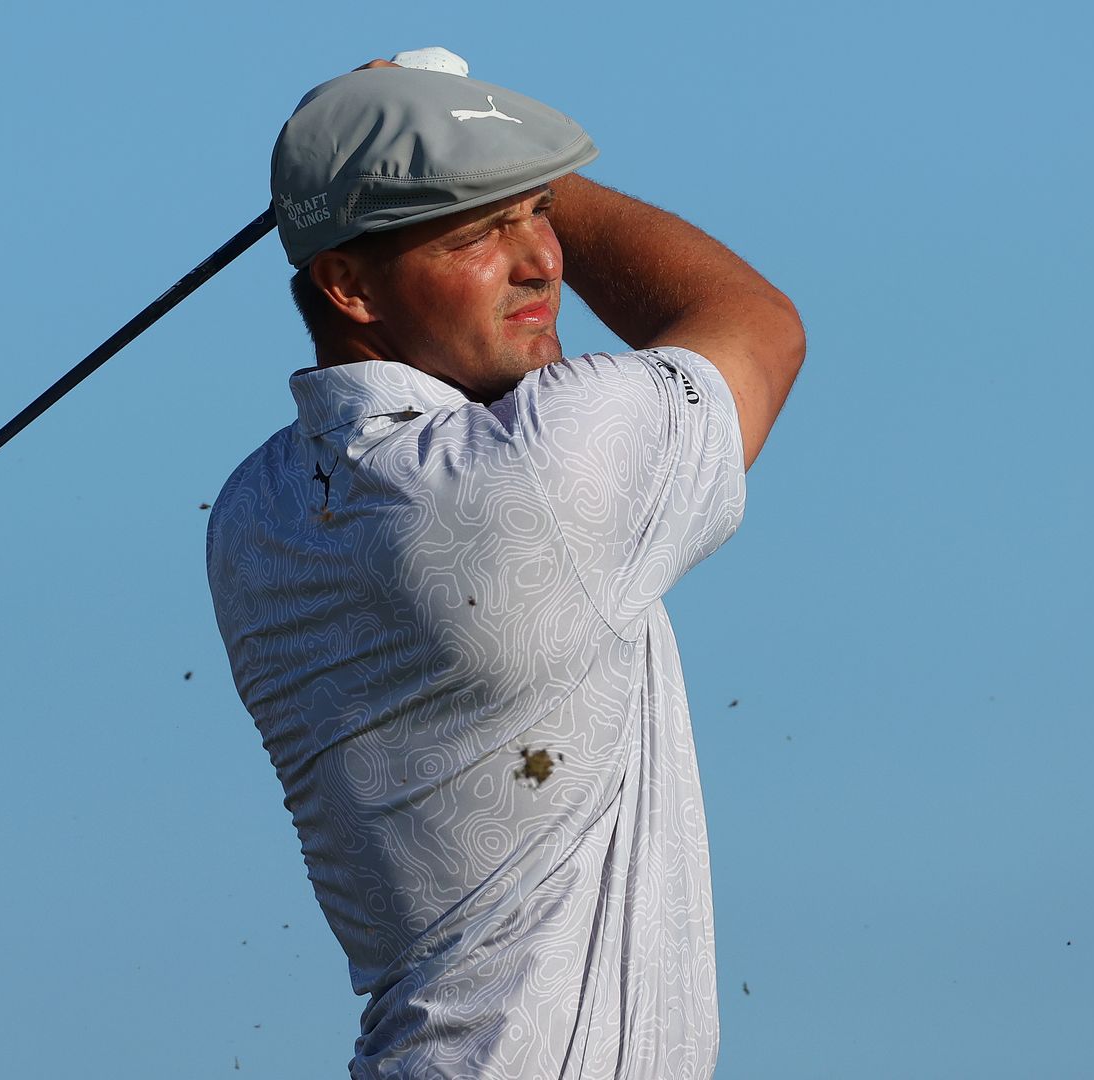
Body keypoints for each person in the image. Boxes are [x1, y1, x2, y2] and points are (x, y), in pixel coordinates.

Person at [206, 54, 804, 1079]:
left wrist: (463, 144)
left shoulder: (255, 511)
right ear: (347, 284)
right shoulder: (534, 472)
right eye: (475, 229)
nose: (540, 258)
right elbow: (759, 327)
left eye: (536, 211)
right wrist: (510, 140)